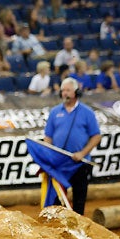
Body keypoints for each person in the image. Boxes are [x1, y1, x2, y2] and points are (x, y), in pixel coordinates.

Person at [44, 77, 101, 214]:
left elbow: (96, 136)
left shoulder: (87, 112)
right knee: (56, 201)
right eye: (63, 90)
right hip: (59, 164)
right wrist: (50, 155)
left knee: (79, 200)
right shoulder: (54, 112)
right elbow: (48, 137)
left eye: (68, 90)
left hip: (80, 163)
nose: (65, 93)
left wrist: (82, 153)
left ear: (76, 92)